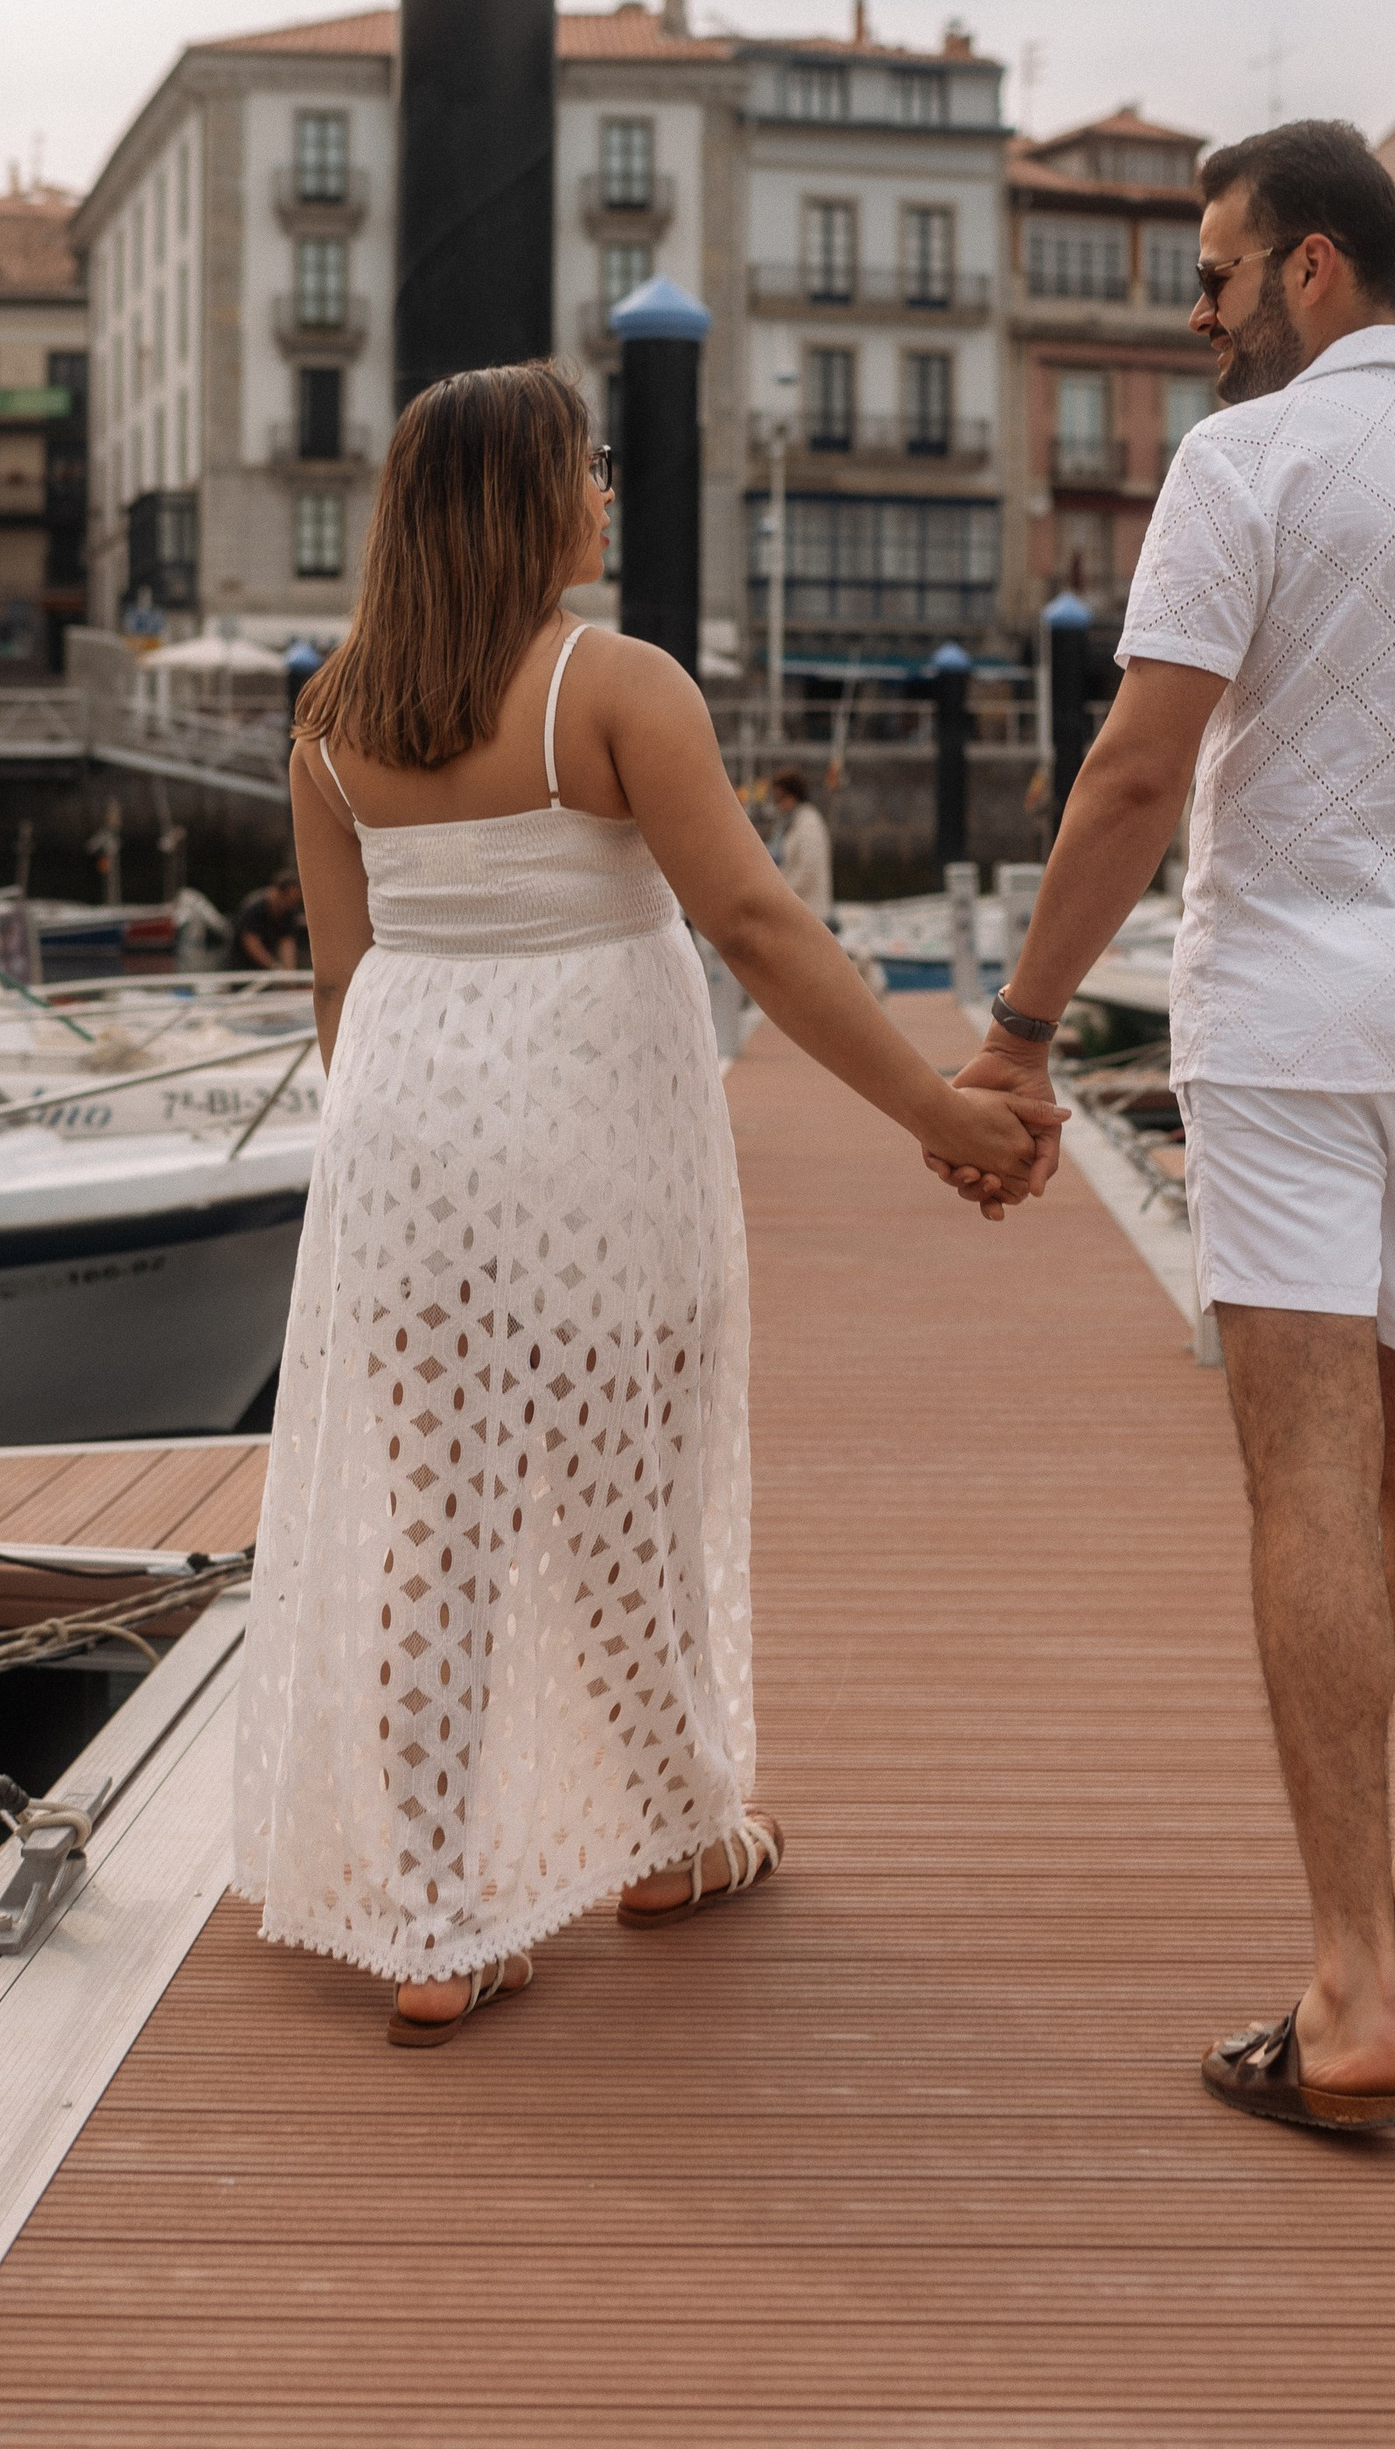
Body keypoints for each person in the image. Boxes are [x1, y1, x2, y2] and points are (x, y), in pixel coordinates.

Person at [943, 119, 1395, 2137]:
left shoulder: (1242, 467)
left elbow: (1138, 771)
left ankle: (1343, 1988)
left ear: (1314, 269)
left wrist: (1016, 1027)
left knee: (1306, 1471)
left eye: (1215, 267)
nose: (1195, 304)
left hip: (1290, 1026)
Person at [233, 362, 1058, 2047]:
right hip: (593, 1140)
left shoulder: (330, 712)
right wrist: (938, 1110)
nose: (607, 489)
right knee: (629, 1483)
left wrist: (409, 1145)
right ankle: (676, 1833)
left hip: (410, 1139)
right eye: (586, 467)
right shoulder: (613, 686)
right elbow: (755, 924)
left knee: (444, 1518)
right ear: (526, 499)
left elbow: (342, 981)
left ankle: (444, 1921)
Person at [768, 768, 834, 921]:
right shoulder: (789, 822)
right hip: (797, 909)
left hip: (811, 913)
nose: (778, 804)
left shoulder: (809, 823)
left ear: (793, 795)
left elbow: (808, 870)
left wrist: (779, 895)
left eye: (780, 798)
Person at [231, 869, 307, 974]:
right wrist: (275, 967)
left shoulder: (290, 911)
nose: (291, 903)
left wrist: (289, 974)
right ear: (277, 892)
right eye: (289, 898)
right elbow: (250, 943)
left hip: (268, 967)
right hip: (242, 966)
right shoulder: (254, 908)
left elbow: (287, 943)